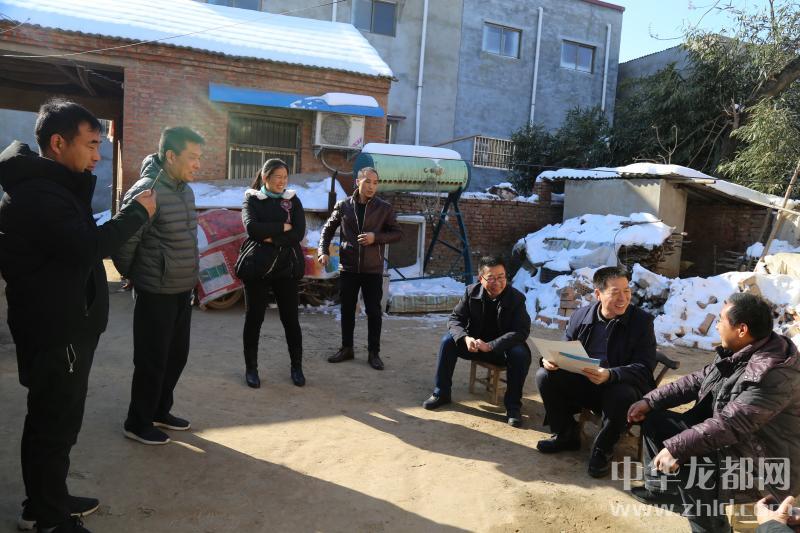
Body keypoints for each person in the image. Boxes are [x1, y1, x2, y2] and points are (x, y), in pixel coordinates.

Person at [0, 99, 155, 533]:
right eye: (90, 144)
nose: (97, 156)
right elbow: (88, 247)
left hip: (66, 324)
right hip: (56, 329)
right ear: (57, 142)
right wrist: (137, 214)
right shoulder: (39, 195)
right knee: (53, 423)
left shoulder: (54, 187)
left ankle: (45, 501)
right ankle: (50, 519)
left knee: (56, 421)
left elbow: (78, 242)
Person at [628, 292, 800, 533]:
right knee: (655, 420)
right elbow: (698, 379)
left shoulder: (774, 374)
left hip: (765, 461)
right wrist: (651, 400)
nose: (717, 326)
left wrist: (677, 448)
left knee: (691, 459)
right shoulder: (745, 349)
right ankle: (663, 491)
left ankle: (712, 527)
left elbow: (731, 424)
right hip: (738, 439)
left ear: (742, 330)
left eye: (721, 320)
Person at [113, 127, 203, 446]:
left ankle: (160, 411)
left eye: (199, 158)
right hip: (155, 291)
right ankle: (137, 422)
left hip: (181, 289)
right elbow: (123, 242)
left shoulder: (184, 190)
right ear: (171, 156)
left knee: (176, 356)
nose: (198, 164)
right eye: (192, 157)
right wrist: (137, 276)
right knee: (152, 360)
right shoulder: (147, 190)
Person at [535, 266, 656, 478]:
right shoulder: (581, 316)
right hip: (586, 382)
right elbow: (563, 349)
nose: (623, 298)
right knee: (544, 376)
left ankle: (603, 449)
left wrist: (611, 374)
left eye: (627, 291)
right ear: (598, 294)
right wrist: (548, 360)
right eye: (615, 292)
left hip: (619, 386)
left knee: (622, 394)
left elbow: (644, 367)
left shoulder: (641, 322)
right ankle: (566, 434)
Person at [422, 255, 532, 427]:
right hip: (474, 347)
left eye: (501, 277)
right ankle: (441, 392)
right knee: (448, 341)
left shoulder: (516, 298)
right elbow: (455, 319)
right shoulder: (471, 292)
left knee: (519, 354)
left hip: (501, 350)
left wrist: (492, 346)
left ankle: (513, 407)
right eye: (491, 278)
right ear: (481, 279)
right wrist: (465, 338)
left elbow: (520, 331)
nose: (497, 282)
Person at [317, 166, 402, 370]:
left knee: (374, 312)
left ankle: (374, 353)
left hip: (372, 270)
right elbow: (327, 229)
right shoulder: (343, 205)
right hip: (348, 267)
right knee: (347, 310)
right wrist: (323, 251)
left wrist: (376, 237)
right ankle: (347, 348)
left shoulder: (384, 208)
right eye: (368, 182)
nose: (372, 186)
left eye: (375, 183)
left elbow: (398, 233)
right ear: (358, 182)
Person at [240, 158, 306, 388]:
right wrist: (282, 227)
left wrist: (270, 238)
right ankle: (251, 369)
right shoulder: (252, 199)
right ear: (265, 177)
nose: (282, 182)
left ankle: (297, 367)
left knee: (290, 320)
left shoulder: (292, 200)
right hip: (257, 267)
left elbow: (298, 232)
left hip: (286, 267)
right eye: (277, 177)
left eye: (285, 177)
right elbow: (252, 228)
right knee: (254, 319)